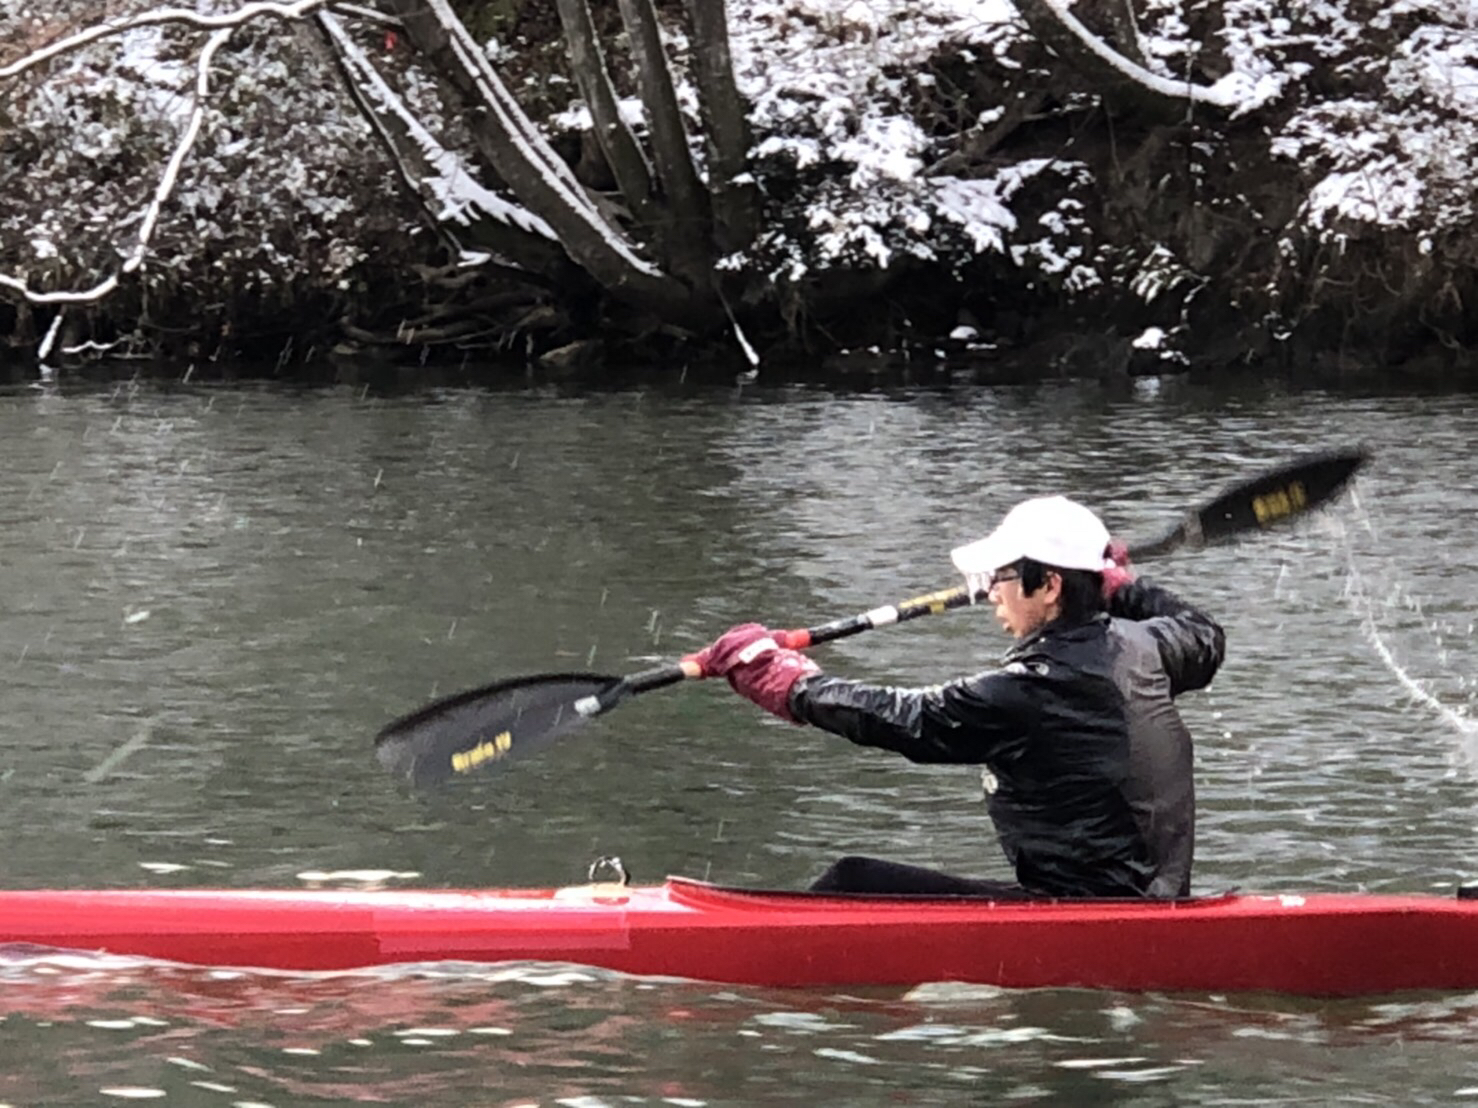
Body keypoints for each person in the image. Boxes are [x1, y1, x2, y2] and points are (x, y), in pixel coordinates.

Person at [687, 495, 1225, 899]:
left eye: (1003, 575)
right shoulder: (1150, 647)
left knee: (854, 883)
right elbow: (1202, 629)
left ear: (1051, 585)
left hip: (1083, 913)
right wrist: (1121, 587)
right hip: (1145, 902)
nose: (991, 589)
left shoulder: (1031, 689)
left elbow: (906, 718)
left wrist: (789, 683)